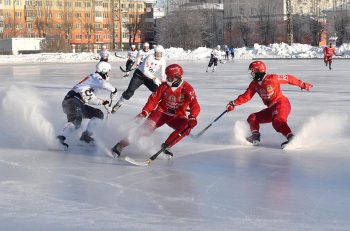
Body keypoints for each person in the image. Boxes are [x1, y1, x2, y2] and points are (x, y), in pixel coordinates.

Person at [111, 64, 200, 158]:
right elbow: (153, 100)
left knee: (186, 127)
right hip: (161, 113)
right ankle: (120, 145)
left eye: (170, 78)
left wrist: (193, 116)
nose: (167, 80)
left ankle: (166, 147)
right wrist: (145, 112)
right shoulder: (163, 86)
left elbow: (194, 104)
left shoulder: (187, 89)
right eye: (167, 77)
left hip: (176, 116)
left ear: (177, 77)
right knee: (145, 130)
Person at [225, 60, 313, 148]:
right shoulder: (254, 84)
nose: (251, 74)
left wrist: (302, 84)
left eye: (252, 71)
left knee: (277, 121)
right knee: (253, 117)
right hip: (271, 108)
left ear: (258, 71)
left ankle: (291, 138)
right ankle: (255, 137)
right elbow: (246, 96)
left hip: (281, 104)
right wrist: (234, 103)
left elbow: (288, 78)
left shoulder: (272, 78)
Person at [56, 62, 118, 149]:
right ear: (104, 70)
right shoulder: (95, 77)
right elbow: (105, 85)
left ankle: (86, 136)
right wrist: (114, 90)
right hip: (71, 101)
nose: (108, 75)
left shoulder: (94, 82)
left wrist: (102, 102)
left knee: (98, 114)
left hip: (79, 103)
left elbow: (89, 99)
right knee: (76, 120)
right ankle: (60, 139)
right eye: (107, 72)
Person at [111, 45, 166, 113]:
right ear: (154, 52)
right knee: (129, 92)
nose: (158, 55)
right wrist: (154, 78)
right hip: (139, 75)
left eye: (160, 53)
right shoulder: (150, 57)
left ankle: (159, 108)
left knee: (158, 91)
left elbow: (162, 73)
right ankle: (119, 103)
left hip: (148, 78)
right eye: (157, 53)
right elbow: (145, 71)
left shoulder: (163, 61)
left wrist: (163, 82)